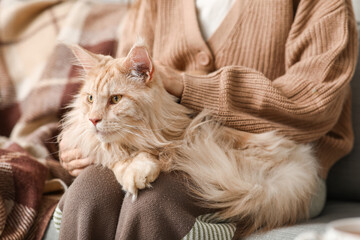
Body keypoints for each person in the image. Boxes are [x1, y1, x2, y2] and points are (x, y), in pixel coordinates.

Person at [54, 0, 358, 239]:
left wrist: (186, 85)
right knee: (89, 194)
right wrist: (83, 136)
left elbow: (315, 104)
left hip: (273, 160)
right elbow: (115, 83)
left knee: (154, 204)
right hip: (169, 146)